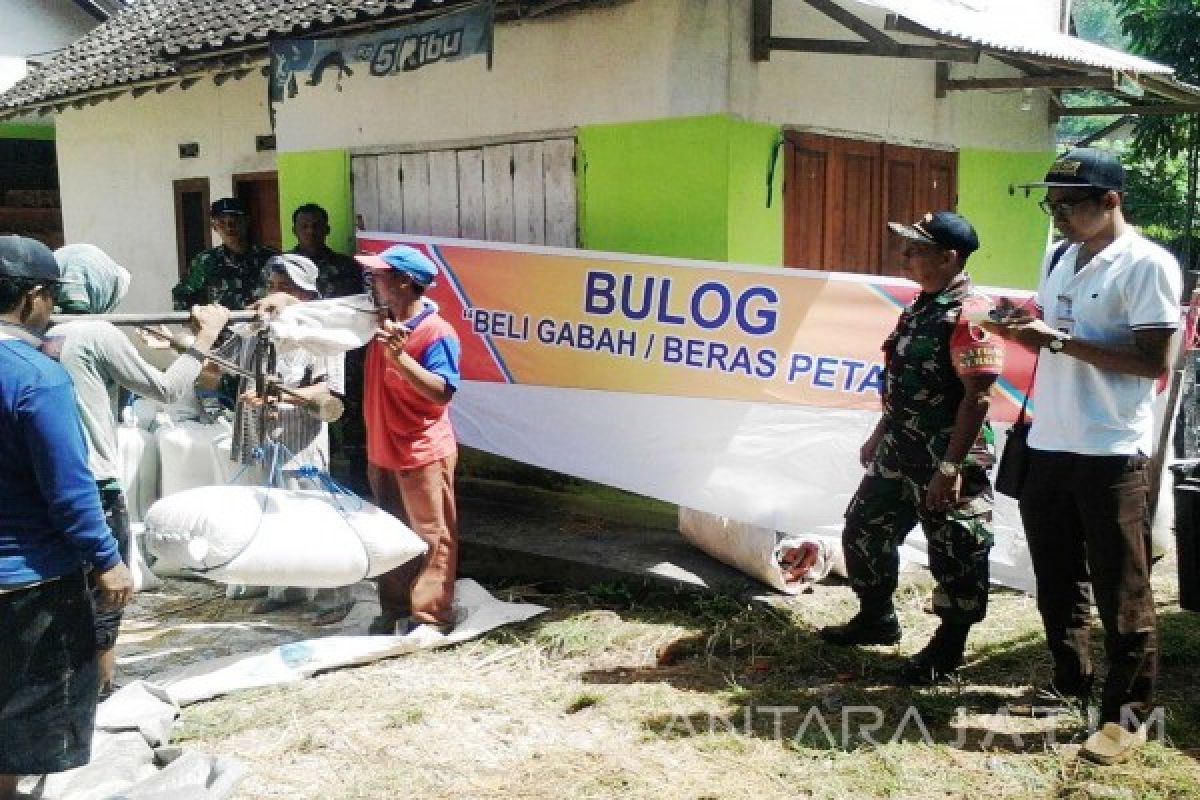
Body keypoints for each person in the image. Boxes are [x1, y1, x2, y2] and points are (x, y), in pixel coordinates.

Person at [984, 148, 1181, 765]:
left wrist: (1060, 342)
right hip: (1048, 440)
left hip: (1110, 450)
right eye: (1053, 203)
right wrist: (1024, 324)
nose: (1058, 215)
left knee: (1123, 592)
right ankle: (1067, 682)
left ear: (1111, 201)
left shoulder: (1148, 265)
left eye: (1070, 205)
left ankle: (1127, 718)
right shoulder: (1060, 254)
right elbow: (1052, 325)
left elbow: (1155, 362)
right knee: (1056, 581)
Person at [819, 212, 1004, 686]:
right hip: (900, 447)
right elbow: (906, 382)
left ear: (949, 257)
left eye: (917, 250)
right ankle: (877, 618)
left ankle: (949, 645)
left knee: (956, 550)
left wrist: (950, 466)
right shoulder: (922, 306)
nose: (905, 257)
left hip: (947, 456)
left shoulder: (972, 312)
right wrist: (882, 431)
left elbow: (977, 397)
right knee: (865, 528)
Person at [50, 244, 229, 696]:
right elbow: (167, 389)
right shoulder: (96, 334)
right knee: (107, 592)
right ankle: (102, 689)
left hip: (47, 479)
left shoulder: (42, 330)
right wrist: (205, 337)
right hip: (94, 479)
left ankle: (65, 689)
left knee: (62, 594)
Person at [0, 235, 133, 798]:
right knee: (28, 710)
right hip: (30, 576)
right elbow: (68, 486)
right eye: (51, 298)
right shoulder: (35, 375)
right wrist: (107, 558)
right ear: (34, 296)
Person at [218, 254, 354, 625]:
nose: (276, 296)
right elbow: (216, 356)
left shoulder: (323, 332)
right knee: (273, 517)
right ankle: (286, 589)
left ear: (305, 295)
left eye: (286, 289)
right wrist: (177, 342)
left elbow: (329, 392)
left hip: (299, 442)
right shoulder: (258, 326)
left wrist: (275, 397)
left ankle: (335, 595)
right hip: (261, 437)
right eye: (273, 287)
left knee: (313, 516)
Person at [358, 246, 461, 636]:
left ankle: (431, 616)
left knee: (431, 536)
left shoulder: (437, 332)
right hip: (382, 450)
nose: (372, 282)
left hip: (421, 452)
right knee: (391, 534)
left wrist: (401, 359)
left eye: (380, 275)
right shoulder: (378, 320)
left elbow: (442, 392)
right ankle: (395, 607)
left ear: (403, 281)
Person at [172, 196, 277, 311]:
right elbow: (182, 295)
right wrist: (196, 319)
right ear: (214, 227)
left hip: (261, 324)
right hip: (223, 326)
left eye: (235, 220)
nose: (229, 227)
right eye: (222, 222)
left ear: (247, 221)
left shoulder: (270, 258)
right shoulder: (207, 261)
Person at [290, 203, 364, 298]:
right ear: (294, 231)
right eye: (304, 226)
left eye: (316, 226)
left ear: (327, 229)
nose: (310, 231)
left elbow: (359, 300)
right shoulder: (282, 265)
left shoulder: (347, 266)